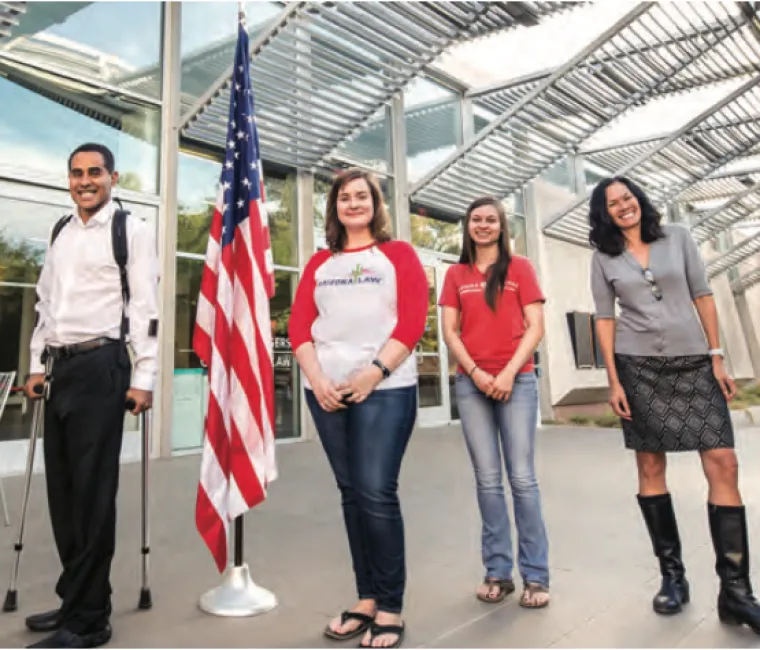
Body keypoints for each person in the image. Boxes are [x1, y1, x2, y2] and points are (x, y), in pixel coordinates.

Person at [590, 176, 760, 631]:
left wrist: (717, 355)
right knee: (650, 467)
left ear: (639, 200)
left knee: (723, 461)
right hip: (638, 367)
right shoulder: (603, 256)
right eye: (612, 203)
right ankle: (673, 578)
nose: (622, 206)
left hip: (695, 363)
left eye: (627, 197)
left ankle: (737, 593)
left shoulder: (678, 237)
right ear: (604, 213)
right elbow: (605, 319)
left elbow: (703, 294)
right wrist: (613, 380)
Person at [23, 143, 159, 648]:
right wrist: (38, 364)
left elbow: (146, 306)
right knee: (63, 495)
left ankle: (90, 620)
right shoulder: (61, 231)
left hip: (103, 366)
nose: (85, 181)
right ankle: (74, 597)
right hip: (61, 367)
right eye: (77, 173)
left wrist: (143, 378)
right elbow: (44, 302)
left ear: (112, 177)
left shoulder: (131, 231)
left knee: (93, 495)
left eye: (95, 172)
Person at [289, 168, 427, 649]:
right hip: (327, 390)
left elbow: (412, 321)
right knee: (351, 492)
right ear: (335, 208)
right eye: (344, 198)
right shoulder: (320, 263)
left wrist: (374, 372)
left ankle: (390, 606)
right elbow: (299, 327)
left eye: (361, 196)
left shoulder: (397, 255)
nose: (352, 204)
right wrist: (318, 380)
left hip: (385, 388)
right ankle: (366, 597)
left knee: (375, 490)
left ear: (376, 204)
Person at [439, 197, 551, 609]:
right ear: (467, 227)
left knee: (522, 480)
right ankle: (498, 572)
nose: (483, 226)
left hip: (517, 383)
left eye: (491, 220)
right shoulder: (455, 273)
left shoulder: (520, 268)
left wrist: (505, 374)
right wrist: (477, 373)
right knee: (487, 480)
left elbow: (535, 326)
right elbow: (450, 332)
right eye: (476, 220)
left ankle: (536, 577)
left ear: (502, 227)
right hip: (472, 386)